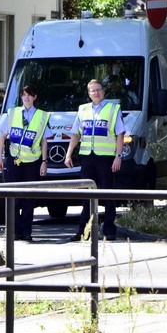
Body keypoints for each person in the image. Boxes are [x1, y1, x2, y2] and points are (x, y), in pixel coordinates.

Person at [64, 79, 125, 241]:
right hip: (87, 158)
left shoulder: (113, 109)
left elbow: (120, 134)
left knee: (107, 194)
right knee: (86, 195)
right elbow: (76, 134)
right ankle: (83, 231)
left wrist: (118, 157)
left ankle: (110, 230)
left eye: (98, 90)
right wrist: (68, 154)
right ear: (88, 93)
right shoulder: (83, 109)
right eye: (92, 90)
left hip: (106, 158)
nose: (96, 93)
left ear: (104, 91)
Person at [0, 85, 49, 241]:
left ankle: (26, 231)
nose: (26, 98)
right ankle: (14, 230)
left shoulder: (42, 116)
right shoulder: (12, 113)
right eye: (24, 95)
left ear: (35, 97)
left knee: (29, 199)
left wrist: (44, 162)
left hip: (32, 162)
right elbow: (2, 137)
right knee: (13, 197)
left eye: (29, 95)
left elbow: (44, 141)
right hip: (13, 161)